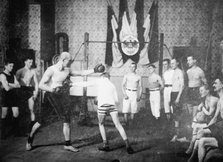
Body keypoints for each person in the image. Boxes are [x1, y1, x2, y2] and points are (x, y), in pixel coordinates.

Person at [25, 52, 104, 152]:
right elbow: (41, 85)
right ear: (63, 60)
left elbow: (81, 73)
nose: (70, 63)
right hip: (51, 96)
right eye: (69, 61)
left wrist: (94, 70)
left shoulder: (67, 70)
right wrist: (52, 90)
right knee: (41, 122)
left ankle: (68, 144)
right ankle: (30, 139)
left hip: (61, 96)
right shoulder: (51, 70)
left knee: (66, 120)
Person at [72, 72, 134, 154]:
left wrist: (73, 84)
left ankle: (106, 145)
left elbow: (86, 83)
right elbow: (116, 100)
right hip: (112, 105)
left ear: (102, 77)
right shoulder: (112, 85)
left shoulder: (100, 80)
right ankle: (128, 145)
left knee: (101, 124)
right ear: (108, 77)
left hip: (102, 106)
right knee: (118, 124)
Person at [188, 76, 223, 162]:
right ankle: (193, 156)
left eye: (216, 83)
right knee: (201, 134)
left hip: (221, 129)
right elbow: (214, 118)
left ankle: (192, 156)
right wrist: (208, 127)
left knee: (201, 135)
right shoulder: (220, 100)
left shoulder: (217, 99)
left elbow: (212, 115)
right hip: (220, 127)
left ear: (222, 85)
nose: (213, 85)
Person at [185, 84, 218, 154]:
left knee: (199, 130)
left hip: (216, 124)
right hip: (209, 122)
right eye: (200, 90)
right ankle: (192, 148)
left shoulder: (213, 100)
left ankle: (193, 152)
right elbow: (200, 109)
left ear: (208, 91)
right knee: (196, 127)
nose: (200, 92)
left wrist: (202, 108)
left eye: (202, 90)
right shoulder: (205, 99)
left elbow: (210, 114)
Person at [16, 56, 39, 136]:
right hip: (22, 90)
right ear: (25, 62)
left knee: (31, 109)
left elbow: (36, 83)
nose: (31, 64)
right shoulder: (20, 71)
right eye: (29, 62)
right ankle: (20, 130)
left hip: (29, 90)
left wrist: (36, 92)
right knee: (21, 110)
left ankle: (32, 128)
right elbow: (16, 83)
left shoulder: (33, 71)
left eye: (31, 62)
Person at [0, 59, 21, 139]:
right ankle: (2, 134)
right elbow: (6, 89)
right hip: (5, 96)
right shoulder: (2, 75)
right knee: (4, 115)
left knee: (16, 113)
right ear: (5, 66)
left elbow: (18, 85)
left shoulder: (12, 74)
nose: (12, 67)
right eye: (10, 66)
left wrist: (9, 84)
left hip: (13, 96)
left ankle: (16, 132)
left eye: (13, 66)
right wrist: (13, 85)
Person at [122, 62, 142, 127]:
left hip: (134, 93)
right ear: (129, 67)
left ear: (136, 68)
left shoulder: (138, 76)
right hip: (127, 92)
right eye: (131, 67)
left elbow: (141, 87)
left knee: (133, 109)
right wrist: (124, 94)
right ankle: (126, 123)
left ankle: (132, 124)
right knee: (125, 109)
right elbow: (122, 85)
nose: (132, 68)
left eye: (134, 67)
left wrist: (139, 95)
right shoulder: (126, 75)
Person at [169, 58, 185, 142]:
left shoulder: (180, 72)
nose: (172, 65)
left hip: (177, 94)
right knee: (174, 114)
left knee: (177, 115)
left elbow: (182, 85)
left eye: (173, 63)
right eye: (171, 63)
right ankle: (176, 134)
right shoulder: (173, 72)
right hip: (172, 93)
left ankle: (177, 135)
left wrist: (178, 97)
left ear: (177, 63)